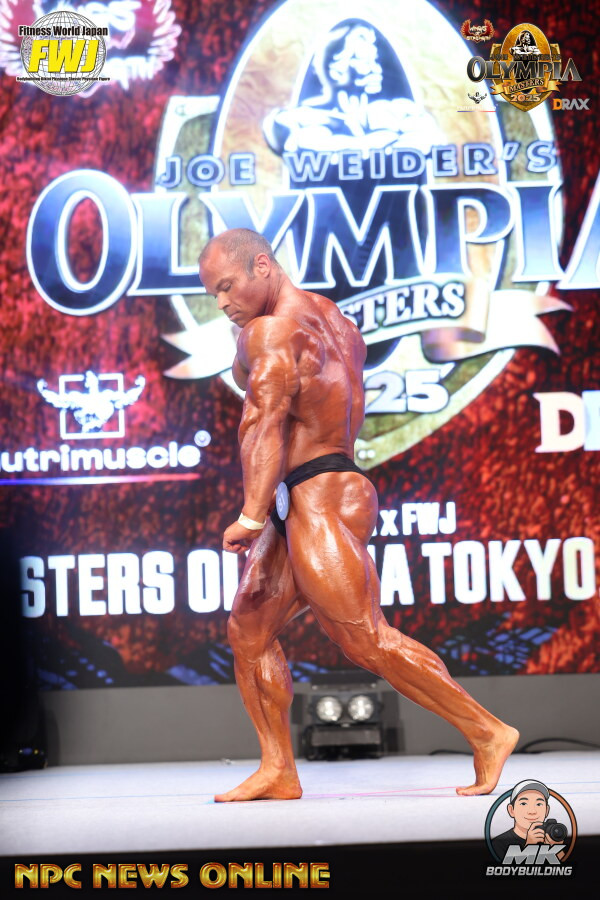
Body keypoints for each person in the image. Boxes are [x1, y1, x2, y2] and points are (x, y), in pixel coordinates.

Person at [198, 227, 519, 802]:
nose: (222, 303)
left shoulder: (268, 332)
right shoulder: (335, 321)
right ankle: (278, 768)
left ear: (263, 266)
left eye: (226, 287)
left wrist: (250, 514)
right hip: (315, 488)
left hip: (318, 493)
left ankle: (488, 731)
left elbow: (265, 421)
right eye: (213, 295)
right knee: (248, 628)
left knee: (366, 639)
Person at [492, 780, 567, 861]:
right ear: (511, 810)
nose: (532, 811)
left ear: (547, 810)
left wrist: (556, 849)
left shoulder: (552, 837)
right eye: (524, 804)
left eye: (539, 804)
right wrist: (529, 847)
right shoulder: (499, 843)